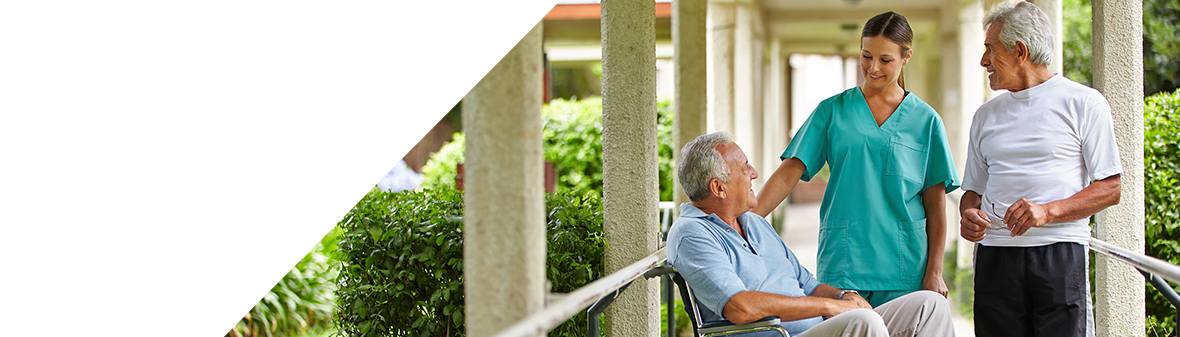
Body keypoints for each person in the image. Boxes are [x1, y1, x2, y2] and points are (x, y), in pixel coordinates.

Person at [752, 11, 960, 308]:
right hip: (844, 262)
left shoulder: (926, 121)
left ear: (906, 57)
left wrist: (935, 272)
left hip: (904, 266)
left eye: (885, 60)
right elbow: (790, 171)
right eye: (866, 56)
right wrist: (746, 221)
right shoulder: (832, 111)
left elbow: (935, 202)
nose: (873, 68)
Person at [667, 132, 955, 337]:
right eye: (744, 169)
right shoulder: (693, 234)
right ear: (719, 188)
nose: (754, 173)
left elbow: (806, 283)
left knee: (931, 306)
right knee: (864, 324)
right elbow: (739, 307)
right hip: (778, 334)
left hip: (817, 328)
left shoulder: (754, 223)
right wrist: (830, 307)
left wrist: (844, 296)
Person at [958, 2, 1122, 336]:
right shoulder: (985, 116)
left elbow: (1110, 187)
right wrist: (969, 216)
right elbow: (972, 191)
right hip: (995, 258)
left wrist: (1047, 211)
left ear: (1020, 51)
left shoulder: (1085, 103)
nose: (983, 61)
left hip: (1060, 254)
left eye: (990, 49)